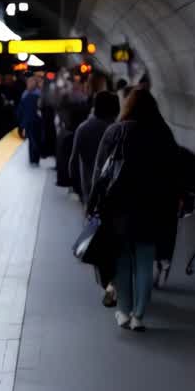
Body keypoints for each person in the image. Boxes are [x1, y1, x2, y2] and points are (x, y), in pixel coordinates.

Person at [87, 89, 178, 331]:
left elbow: (100, 173)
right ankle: (139, 316)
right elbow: (173, 174)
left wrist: (91, 205)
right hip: (152, 209)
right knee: (145, 262)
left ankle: (124, 313)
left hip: (118, 209)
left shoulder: (115, 131)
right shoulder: (163, 133)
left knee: (122, 263)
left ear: (127, 107)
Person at [71, 91, 122, 306]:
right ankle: (116, 281)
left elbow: (73, 162)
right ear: (115, 109)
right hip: (116, 194)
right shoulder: (118, 131)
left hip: (90, 194)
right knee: (115, 240)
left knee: (96, 239)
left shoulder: (83, 128)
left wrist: (78, 190)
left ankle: (107, 283)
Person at [17, 77, 43, 166]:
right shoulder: (38, 94)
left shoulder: (26, 94)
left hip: (33, 121)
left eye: (31, 83)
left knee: (33, 141)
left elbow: (21, 110)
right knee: (34, 141)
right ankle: (34, 160)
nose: (29, 84)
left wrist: (21, 123)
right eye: (29, 83)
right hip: (33, 121)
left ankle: (34, 160)